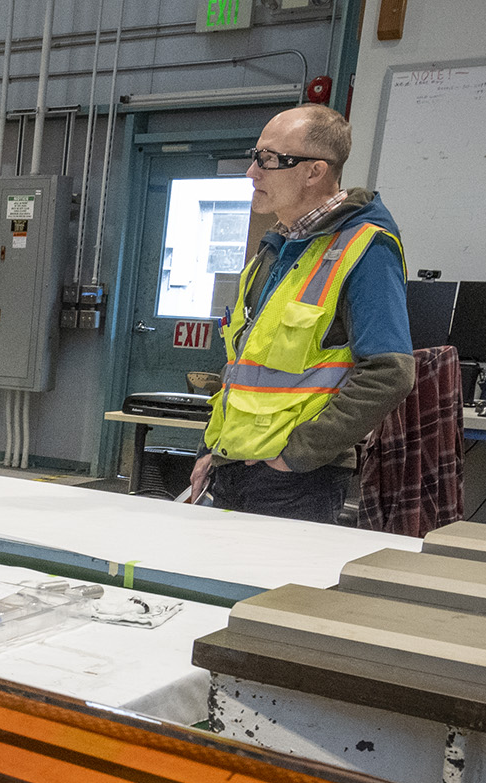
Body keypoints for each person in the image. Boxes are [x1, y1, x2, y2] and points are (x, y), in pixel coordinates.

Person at [187, 104, 414, 524]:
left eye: (270, 160)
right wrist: (210, 450)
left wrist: (296, 456)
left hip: (295, 483)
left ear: (314, 172)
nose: (253, 173)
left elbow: (390, 372)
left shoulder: (366, 249)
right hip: (232, 467)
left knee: (272, 591)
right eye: (256, 157)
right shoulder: (275, 250)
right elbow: (243, 370)